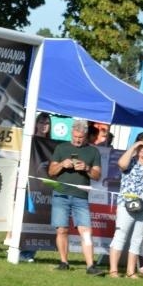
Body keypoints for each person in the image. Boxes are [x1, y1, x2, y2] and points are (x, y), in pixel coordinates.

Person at [47, 117, 104, 274]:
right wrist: (61, 165)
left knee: (86, 231)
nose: (78, 140)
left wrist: (86, 168)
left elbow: (97, 175)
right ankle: (64, 262)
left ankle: (90, 266)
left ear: (86, 136)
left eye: (81, 137)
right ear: (71, 133)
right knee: (62, 230)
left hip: (81, 196)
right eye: (75, 137)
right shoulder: (61, 148)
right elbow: (51, 172)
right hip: (61, 194)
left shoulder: (93, 151)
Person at [108, 132, 143, 278]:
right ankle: (113, 270)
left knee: (137, 240)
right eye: (142, 145)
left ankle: (131, 271)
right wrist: (134, 147)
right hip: (126, 206)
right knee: (120, 236)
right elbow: (121, 164)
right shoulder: (130, 160)